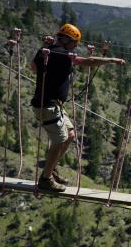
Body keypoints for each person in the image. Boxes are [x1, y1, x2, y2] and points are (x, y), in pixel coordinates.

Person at [31, 23, 125, 191]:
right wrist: (110, 60)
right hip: (48, 106)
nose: (76, 46)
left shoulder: (45, 52)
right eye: (74, 43)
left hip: (53, 106)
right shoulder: (61, 53)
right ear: (66, 40)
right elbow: (88, 61)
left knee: (71, 135)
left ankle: (50, 170)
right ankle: (45, 179)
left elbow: (33, 68)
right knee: (59, 140)